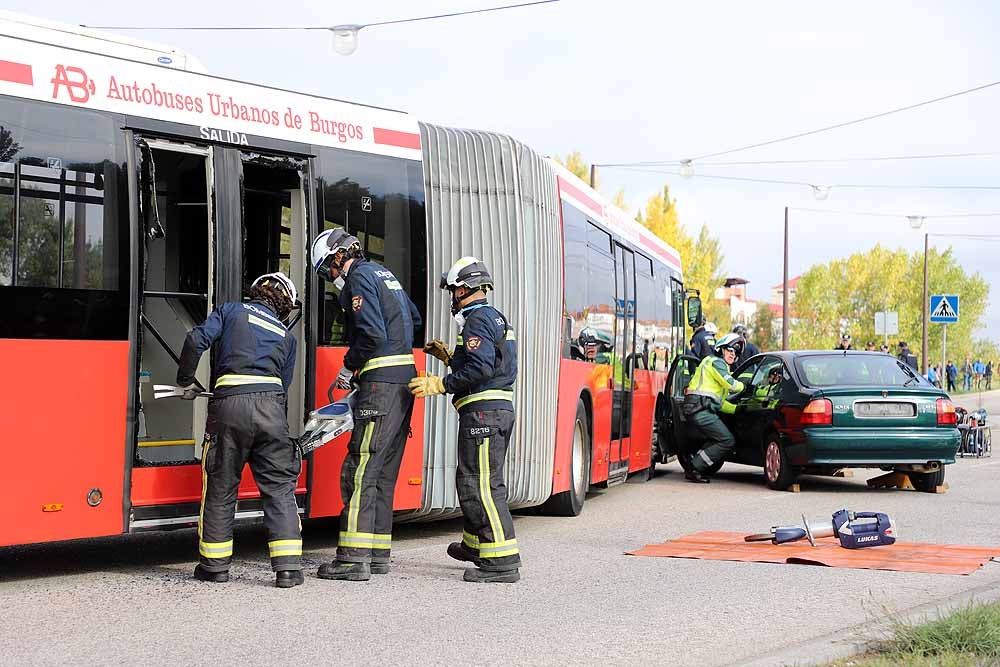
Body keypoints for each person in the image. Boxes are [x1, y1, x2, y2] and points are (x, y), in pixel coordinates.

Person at [177, 272, 304, 589]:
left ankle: (214, 567)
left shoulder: (231, 310)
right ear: (284, 305)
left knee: (220, 487)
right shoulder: (287, 336)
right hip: (272, 413)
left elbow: (196, 339)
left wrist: (185, 380)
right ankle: (288, 569)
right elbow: (282, 387)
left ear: (257, 291)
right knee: (279, 489)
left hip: (230, 409)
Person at [310, 228, 421, 582]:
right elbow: (413, 320)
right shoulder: (386, 275)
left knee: (359, 470)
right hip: (404, 385)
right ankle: (376, 556)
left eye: (327, 268)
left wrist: (348, 366)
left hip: (380, 389)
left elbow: (371, 334)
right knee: (383, 476)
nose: (330, 277)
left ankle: (353, 560)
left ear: (338, 257)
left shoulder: (358, 278)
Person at [410, 257, 521, 583]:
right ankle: (476, 545)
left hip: (484, 413)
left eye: (453, 289)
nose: (451, 295)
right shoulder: (494, 317)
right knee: (473, 479)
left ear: (463, 289)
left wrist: (440, 383)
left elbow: (482, 369)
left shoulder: (475, 320)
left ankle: (501, 562)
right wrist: (450, 358)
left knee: (481, 485)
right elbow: (490, 362)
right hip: (493, 411)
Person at [681, 332, 745, 483]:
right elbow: (731, 384)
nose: (733, 354)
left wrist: (737, 409)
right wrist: (745, 386)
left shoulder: (714, 363)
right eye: (730, 350)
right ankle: (694, 467)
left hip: (698, 407)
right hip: (700, 409)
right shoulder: (716, 363)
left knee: (718, 438)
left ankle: (694, 464)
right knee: (727, 440)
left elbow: (720, 402)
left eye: (735, 353)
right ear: (721, 349)